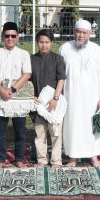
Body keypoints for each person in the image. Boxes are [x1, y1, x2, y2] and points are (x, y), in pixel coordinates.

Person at [60, 20, 100, 167]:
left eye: (84, 32)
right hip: (70, 95)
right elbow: (60, 74)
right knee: (72, 126)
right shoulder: (65, 48)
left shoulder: (97, 50)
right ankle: (73, 157)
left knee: (92, 127)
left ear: (90, 34)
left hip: (92, 97)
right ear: (74, 32)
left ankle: (93, 156)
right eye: (78, 32)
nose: (80, 35)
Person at [0, 21, 32, 167]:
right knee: (0, 132)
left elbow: (27, 74)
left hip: (18, 96)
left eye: (13, 35)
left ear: (18, 37)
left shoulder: (24, 54)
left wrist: (12, 90)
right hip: (1, 96)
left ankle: (19, 159)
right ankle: (1, 159)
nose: (10, 38)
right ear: (3, 37)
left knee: (20, 132)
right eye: (7, 35)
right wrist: (2, 91)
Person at [30, 29, 66, 168]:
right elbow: (28, 80)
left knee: (55, 133)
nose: (44, 45)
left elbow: (61, 79)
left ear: (51, 43)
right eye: (41, 42)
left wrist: (55, 98)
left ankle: (56, 161)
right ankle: (42, 160)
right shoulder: (32, 59)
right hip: (38, 103)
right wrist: (31, 96)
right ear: (37, 43)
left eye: (46, 42)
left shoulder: (57, 59)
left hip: (53, 102)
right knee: (40, 134)